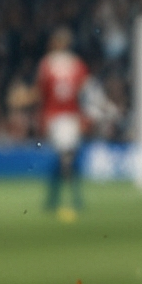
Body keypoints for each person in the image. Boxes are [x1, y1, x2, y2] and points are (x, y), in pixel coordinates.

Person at [35, 28, 90, 220]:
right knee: (67, 157)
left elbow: (42, 93)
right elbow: (84, 92)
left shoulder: (47, 64)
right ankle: (71, 198)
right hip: (70, 116)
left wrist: (42, 118)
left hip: (55, 116)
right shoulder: (77, 64)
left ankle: (56, 198)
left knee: (64, 158)